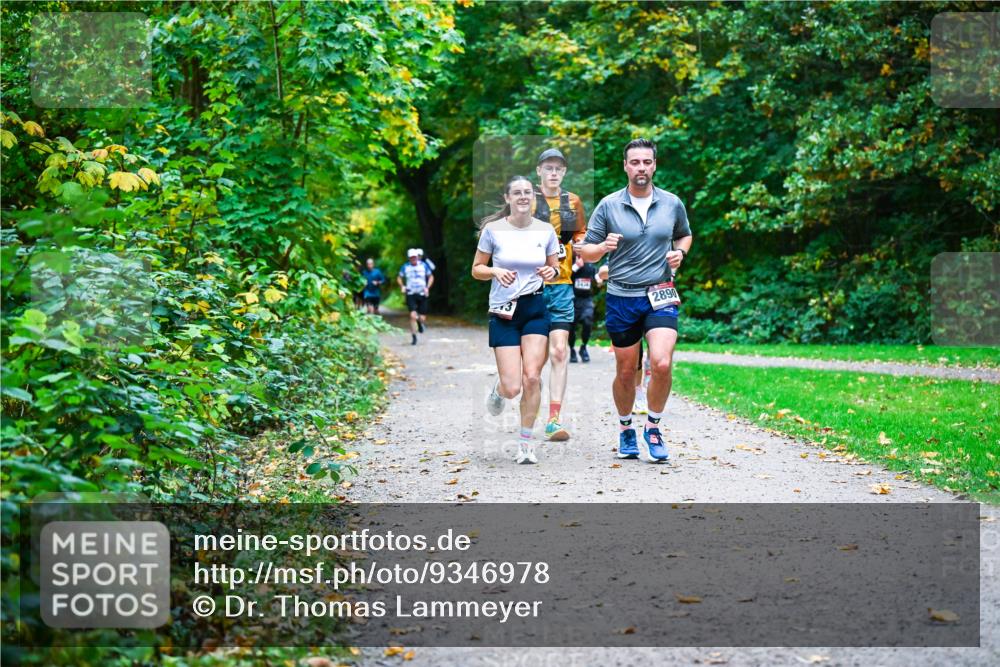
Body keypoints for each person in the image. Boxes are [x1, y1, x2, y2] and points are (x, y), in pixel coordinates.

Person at [577, 138, 693, 464]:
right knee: (626, 371)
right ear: (625, 166)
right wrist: (602, 249)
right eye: (635, 162)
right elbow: (584, 249)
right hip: (621, 295)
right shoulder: (609, 205)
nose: (641, 168)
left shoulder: (671, 203)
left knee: (662, 363)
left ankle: (653, 427)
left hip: (660, 292)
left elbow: (685, 233)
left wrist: (680, 252)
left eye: (647, 162)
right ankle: (626, 427)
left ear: (654, 165)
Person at [472, 175, 560, 464]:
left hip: (534, 308)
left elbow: (555, 269)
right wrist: (495, 272)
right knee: (513, 388)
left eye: (527, 192)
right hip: (503, 312)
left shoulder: (545, 231)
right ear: (508, 198)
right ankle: (500, 388)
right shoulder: (493, 230)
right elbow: (476, 269)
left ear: (533, 198)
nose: (523, 196)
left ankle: (525, 443)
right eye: (517, 193)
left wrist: (551, 273)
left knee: (532, 377)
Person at [532, 148, 587, 442]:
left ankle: (553, 419)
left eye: (559, 169)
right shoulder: (526, 199)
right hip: (530, 288)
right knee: (534, 361)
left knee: (559, 351)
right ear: (539, 170)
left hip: (562, 285)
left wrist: (579, 250)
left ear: (564, 172)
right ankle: (511, 392)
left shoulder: (573, 201)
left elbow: (581, 234)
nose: (553, 173)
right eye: (548, 168)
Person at [398, 248, 434, 345]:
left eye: (415, 257)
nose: (413, 259)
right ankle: (414, 337)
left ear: (417, 257)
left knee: (422, 318)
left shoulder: (424, 266)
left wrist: (427, 287)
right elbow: (399, 277)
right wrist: (402, 286)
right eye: (411, 257)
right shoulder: (405, 267)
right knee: (412, 316)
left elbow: (431, 277)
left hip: (422, 293)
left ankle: (420, 323)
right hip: (411, 294)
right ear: (409, 258)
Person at [568, 255, 600, 363]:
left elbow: (596, 275)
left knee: (588, 320)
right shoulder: (570, 260)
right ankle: (572, 349)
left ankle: (583, 347)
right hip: (572, 299)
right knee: (571, 327)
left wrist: (599, 279)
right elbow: (565, 276)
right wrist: (576, 266)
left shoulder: (590, 261)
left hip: (586, 300)